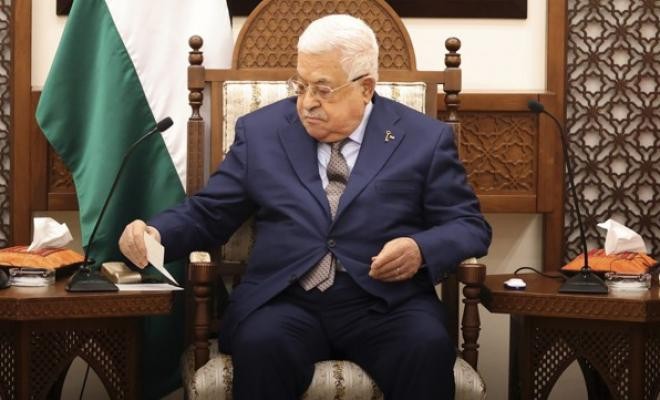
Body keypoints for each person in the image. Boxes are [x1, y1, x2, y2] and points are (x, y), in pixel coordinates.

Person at [119, 14, 491, 400]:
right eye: (300, 85)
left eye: (323, 89)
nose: (307, 102)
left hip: (385, 304)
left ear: (365, 88)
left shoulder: (422, 138)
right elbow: (210, 211)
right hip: (285, 299)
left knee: (426, 347)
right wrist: (156, 232)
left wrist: (420, 250)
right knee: (261, 347)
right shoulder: (262, 132)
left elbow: (469, 225)